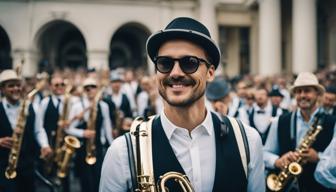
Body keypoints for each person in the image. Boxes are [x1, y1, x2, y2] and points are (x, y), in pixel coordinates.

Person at [100, 17, 265, 192]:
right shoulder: (123, 152)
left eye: (189, 63)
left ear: (210, 73)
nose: (175, 72)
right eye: (165, 63)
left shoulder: (248, 141)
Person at [264, 72, 336, 192]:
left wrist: (318, 157)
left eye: (307, 90)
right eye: (298, 91)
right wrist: (277, 161)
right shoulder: (280, 121)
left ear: (317, 94)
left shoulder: (333, 123)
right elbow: (265, 153)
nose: (302, 95)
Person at [0, 70, 51, 192]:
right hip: (3, 167)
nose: (16, 89)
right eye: (11, 86)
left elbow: (38, 130)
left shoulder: (31, 106)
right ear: (2, 89)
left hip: (27, 166)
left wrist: (45, 145)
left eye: (18, 85)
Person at [67, 77, 113, 192]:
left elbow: (107, 127)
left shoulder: (103, 106)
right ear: (83, 90)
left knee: (99, 177)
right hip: (83, 147)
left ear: (97, 89)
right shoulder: (77, 106)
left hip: (97, 146)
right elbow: (68, 128)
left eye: (93, 87)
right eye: (87, 88)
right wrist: (83, 133)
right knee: (85, 180)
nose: (90, 90)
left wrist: (111, 145)